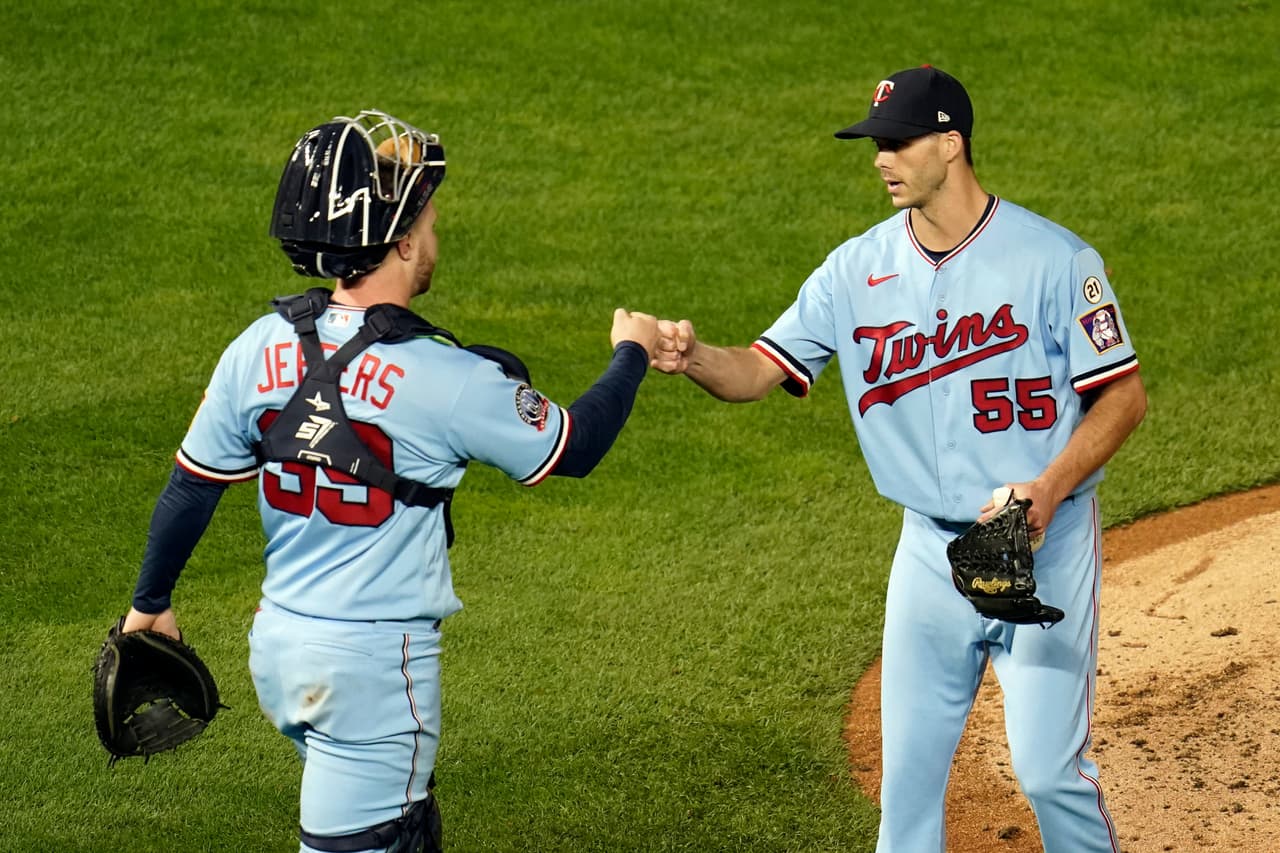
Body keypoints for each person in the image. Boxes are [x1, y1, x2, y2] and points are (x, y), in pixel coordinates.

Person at [119, 109, 660, 853]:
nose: (436, 233)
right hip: (370, 674)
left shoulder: (259, 344)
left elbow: (191, 488)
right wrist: (630, 350)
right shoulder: (445, 376)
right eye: (430, 219)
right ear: (403, 241)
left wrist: (150, 602)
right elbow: (577, 444)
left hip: (279, 649)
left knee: (402, 818)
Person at [652, 66, 1147, 852]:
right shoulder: (854, 271)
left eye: (897, 142)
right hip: (928, 552)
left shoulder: (1055, 260)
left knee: (1050, 771)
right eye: (875, 144)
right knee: (906, 790)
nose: (881, 159)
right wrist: (693, 357)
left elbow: (1123, 397)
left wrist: (1049, 490)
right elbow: (760, 367)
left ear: (951, 144)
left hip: (1041, 545)